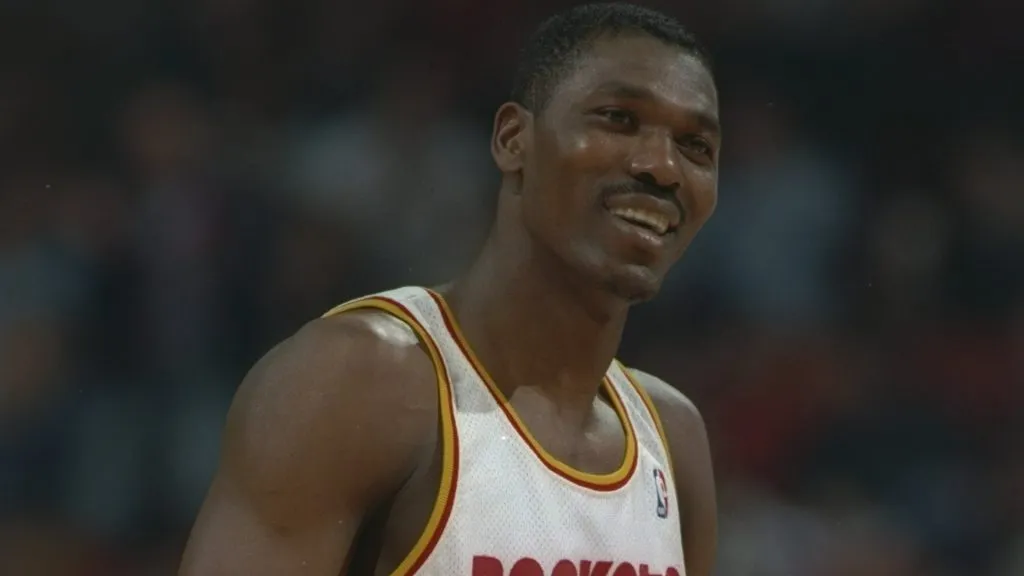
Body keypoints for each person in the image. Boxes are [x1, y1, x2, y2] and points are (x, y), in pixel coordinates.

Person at [179, 3, 721, 575]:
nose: (662, 166)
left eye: (696, 147)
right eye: (618, 118)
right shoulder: (357, 382)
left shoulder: (673, 437)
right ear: (514, 140)